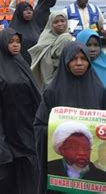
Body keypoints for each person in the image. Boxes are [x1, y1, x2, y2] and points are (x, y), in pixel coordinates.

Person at [34, 42, 106, 194]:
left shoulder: (100, 90)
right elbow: (39, 126)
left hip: (92, 185)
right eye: (73, 59)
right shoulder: (52, 91)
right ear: (65, 61)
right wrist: (60, 130)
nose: (79, 63)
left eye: (83, 58)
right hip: (59, 182)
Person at [0, 28, 41, 194]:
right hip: (9, 134)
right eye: (11, 42)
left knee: (31, 177)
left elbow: (35, 93)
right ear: (2, 44)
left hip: (28, 128)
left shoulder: (21, 63)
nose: (16, 45)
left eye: (17, 41)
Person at [29, 11, 72, 89]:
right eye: (56, 22)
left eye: (62, 21)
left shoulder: (68, 35)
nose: (60, 24)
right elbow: (45, 62)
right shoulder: (46, 38)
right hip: (51, 78)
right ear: (50, 24)